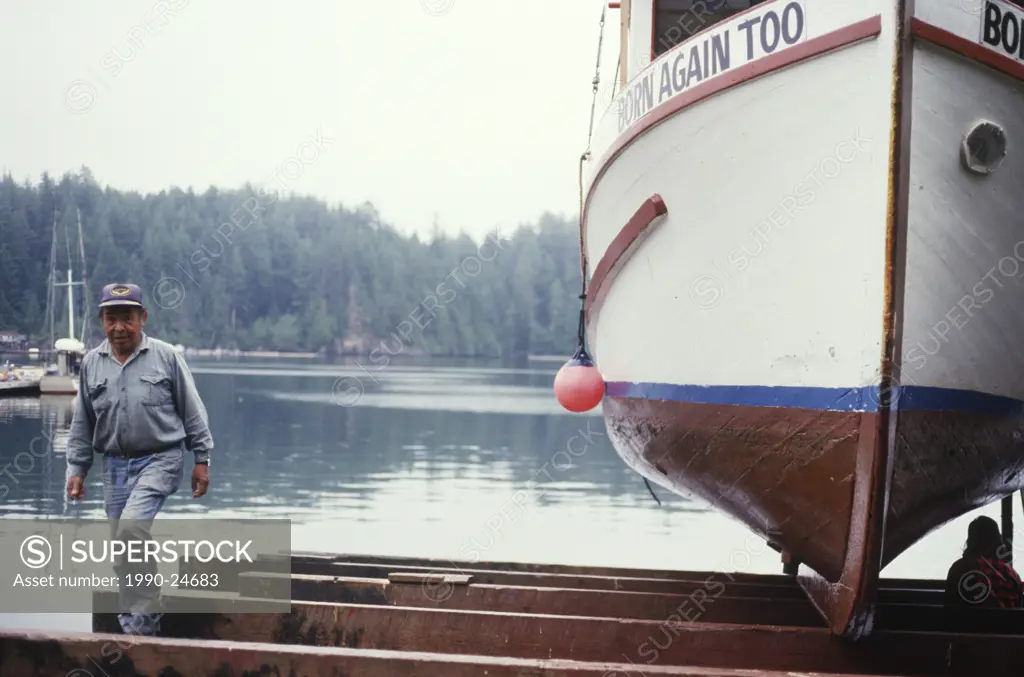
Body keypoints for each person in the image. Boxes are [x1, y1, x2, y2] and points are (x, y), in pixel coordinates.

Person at [65, 282, 214, 636]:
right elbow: (83, 420)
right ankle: (138, 621)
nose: (119, 328)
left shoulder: (166, 357)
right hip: (115, 465)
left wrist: (202, 458)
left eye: (127, 319)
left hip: (161, 458)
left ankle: (140, 628)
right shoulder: (91, 363)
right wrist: (77, 468)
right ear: (102, 320)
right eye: (111, 319)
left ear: (142, 318)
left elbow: (192, 410)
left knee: (132, 529)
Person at [944, 515, 1023, 608]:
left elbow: (950, 605)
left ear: (971, 540)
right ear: (997, 539)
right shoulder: (1011, 573)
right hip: (1010, 622)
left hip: (969, 622)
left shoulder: (960, 568)